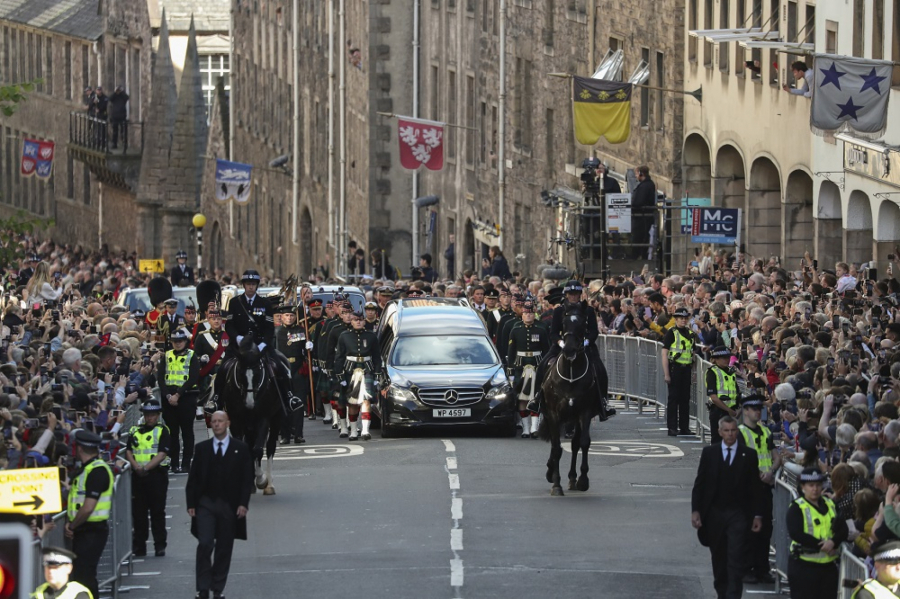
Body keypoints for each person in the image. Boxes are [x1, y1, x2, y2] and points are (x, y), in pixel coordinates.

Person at [691, 416, 763, 599]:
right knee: (719, 558)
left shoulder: (748, 455)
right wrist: (696, 510)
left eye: (733, 430)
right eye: (727, 430)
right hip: (714, 513)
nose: (730, 434)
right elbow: (700, 484)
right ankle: (722, 593)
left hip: (738, 514)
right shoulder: (710, 453)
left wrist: (757, 515)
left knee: (735, 557)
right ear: (720, 432)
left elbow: (755, 488)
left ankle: (733, 595)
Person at [186, 411, 254, 599]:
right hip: (206, 504)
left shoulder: (240, 449)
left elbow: (246, 479)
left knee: (224, 547)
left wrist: (243, 504)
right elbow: (193, 479)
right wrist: (191, 503)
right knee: (205, 543)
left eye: (220, 421)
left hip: (229, 505)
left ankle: (218, 589)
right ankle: (203, 588)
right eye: (213, 421)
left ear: (228, 423)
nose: (216, 424)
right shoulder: (202, 449)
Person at [525, 280, 613, 421]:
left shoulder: (588, 310)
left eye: (576, 294)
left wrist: (586, 342)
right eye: (571, 294)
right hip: (562, 345)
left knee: (599, 369)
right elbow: (553, 332)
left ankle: (603, 402)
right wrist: (561, 343)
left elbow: (593, 332)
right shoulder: (559, 310)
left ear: (580, 294)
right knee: (542, 366)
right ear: (566, 295)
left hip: (584, 346)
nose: (573, 297)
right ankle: (537, 399)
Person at [221, 269, 302, 412]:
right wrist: (238, 338)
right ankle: (216, 399)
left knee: (280, 366)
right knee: (223, 368)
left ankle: (290, 397)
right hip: (239, 345)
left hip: (259, 344)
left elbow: (269, 328)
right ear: (244, 285)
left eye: (253, 284)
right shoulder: (235, 302)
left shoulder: (264, 303)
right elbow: (229, 325)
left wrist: (263, 344)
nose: (250, 287)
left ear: (257, 285)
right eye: (248, 284)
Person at [737, 394, 781, 585]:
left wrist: (771, 471)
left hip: (764, 487)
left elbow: (776, 457)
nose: (758, 411)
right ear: (746, 410)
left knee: (765, 530)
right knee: (748, 530)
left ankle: (762, 569)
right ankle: (746, 568)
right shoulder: (739, 433)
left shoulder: (765, 432)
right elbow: (739, 460)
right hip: (747, 490)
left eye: (759, 408)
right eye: (754, 408)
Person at [65, 430, 114, 599]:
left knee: (85, 577)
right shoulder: (88, 469)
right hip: (85, 530)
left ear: (79, 449)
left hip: (91, 530)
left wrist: (72, 525)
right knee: (82, 576)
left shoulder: (97, 471)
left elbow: (88, 507)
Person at [787, 468, 848, 599]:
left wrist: (833, 542)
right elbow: (796, 533)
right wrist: (822, 546)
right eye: (811, 485)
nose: (815, 489)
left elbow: (843, 529)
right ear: (803, 487)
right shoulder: (797, 507)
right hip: (804, 567)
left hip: (828, 567)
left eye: (818, 485)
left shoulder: (831, 504)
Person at [125, 399, 171, 557]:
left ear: (158, 415)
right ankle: (139, 546)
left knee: (157, 512)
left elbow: (162, 453)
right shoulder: (134, 431)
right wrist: (136, 467)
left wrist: (146, 467)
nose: (149, 418)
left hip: (156, 475)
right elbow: (129, 451)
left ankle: (159, 545)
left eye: (152, 415)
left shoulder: (162, 430)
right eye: (147, 415)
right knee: (139, 513)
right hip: (138, 476)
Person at [334, 309, 383, 440]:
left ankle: (365, 431)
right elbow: (339, 357)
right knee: (352, 403)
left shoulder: (371, 336)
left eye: (361, 320)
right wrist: (339, 375)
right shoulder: (344, 336)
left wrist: (377, 375)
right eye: (356, 320)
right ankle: (354, 431)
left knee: (366, 400)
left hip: (367, 369)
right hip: (350, 370)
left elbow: (377, 357)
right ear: (352, 321)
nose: (359, 322)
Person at [158, 327, 200, 473]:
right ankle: (174, 463)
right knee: (172, 433)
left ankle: (186, 463)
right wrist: (168, 396)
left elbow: (193, 377)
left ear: (185, 341)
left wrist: (178, 394)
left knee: (187, 432)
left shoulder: (192, 355)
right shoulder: (166, 355)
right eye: (175, 341)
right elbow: (161, 377)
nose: (178, 344)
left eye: (180, 341)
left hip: (186, 397)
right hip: (169, 398)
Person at [507, 300, 549, 438]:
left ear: (534, 313)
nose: (528, 315)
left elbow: (546, 350)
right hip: (521, 366)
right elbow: (511, 351)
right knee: (521, 398)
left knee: (536, 396)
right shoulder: (516, 329)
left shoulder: (541, 329)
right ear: (522, 314)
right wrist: (511, 370)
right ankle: (525, 428)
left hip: (537, 365)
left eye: (531, 313)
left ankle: (534, 427)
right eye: (526, 313)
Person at [275, 305, 310, 444]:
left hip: (298, 369)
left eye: (291, 316)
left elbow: (307, 352)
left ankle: (298, 434)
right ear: (281, 317)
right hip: (281, 369)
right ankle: (285, 434)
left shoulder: (302, 330)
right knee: (283, 404)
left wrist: (309, 346)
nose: (289, 318)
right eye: (286, 316)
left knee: (299, 403)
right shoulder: (276, 332)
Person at [662, 307, 696, 436]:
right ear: (676, 319)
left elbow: (692, 354)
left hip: (686, 369)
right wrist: (666, 373)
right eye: (681, 318)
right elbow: (664, 353)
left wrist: (693, 372)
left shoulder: (691, 334)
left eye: (685, 318)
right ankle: (672, 427)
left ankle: (684, 427)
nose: (683, 320)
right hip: (674, 368)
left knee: (685, 399)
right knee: (673, 399)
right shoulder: (671, 333)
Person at [706, 346, 739, 444]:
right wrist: (728, 410)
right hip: (719, 411)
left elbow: (736, 392)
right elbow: (714, 397)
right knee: (717, 442)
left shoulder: (731, 371)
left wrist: (737, 409)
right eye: (723, 358)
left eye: (728, 357)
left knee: (731, 442)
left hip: (732, 411)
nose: (727, 360)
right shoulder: (712, 372)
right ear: (716, 359)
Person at [631, 165, 656, 260]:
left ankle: (637, 256)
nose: (636, 176)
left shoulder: (645, 186)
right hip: (643, 218)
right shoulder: (647, 184)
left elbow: (638, 202)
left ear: (641, 173)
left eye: (637, 174)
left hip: (642, 219)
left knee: (639, 238)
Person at [108, 85, 129, 149]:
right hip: (115, 116)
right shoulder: (114, 97)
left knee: (123, 131)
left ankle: (124, 144)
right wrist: (115, 92)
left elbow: (127, 97)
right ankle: (114, 144)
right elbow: (110, 98)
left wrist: (122, 92)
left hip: (122, 116)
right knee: (115, 131)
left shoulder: (123, 97)